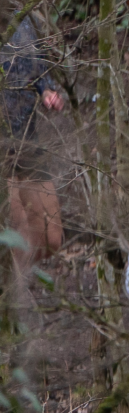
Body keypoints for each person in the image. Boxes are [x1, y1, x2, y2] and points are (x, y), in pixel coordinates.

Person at [3, 15, 66, 279]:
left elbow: (37, 66)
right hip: (1, 151)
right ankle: (13, 306)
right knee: (19, 239)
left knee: (51, 239)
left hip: (27, 140)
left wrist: (47, 90)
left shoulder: (21, 15)